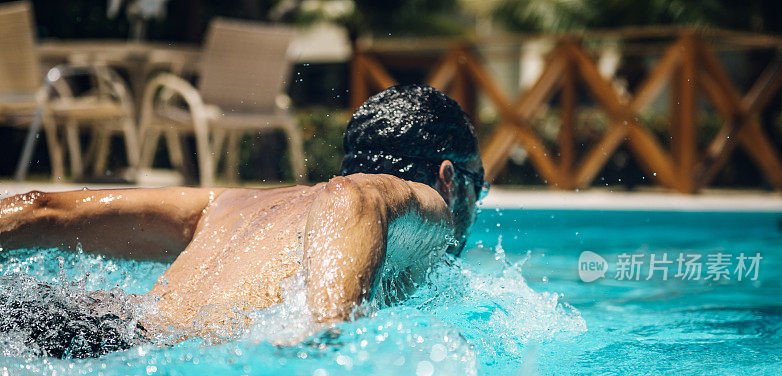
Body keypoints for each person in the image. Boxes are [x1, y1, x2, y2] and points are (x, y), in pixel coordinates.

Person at [0, 84, 487, 357]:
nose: (476, 201)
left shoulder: (232, 204)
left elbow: (42, 209)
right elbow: (353, 194)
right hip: (146, 357)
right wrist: (328, 337)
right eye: (478, 185)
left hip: (75, 323)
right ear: (451, 179)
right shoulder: (428, 209)